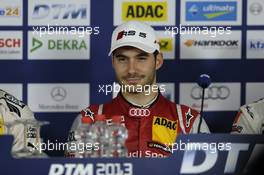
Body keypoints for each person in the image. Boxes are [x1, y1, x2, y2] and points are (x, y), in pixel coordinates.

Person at [66, 21, 210, 157]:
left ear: (158, 61)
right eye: (122, 59)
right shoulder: (88, 120)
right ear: (113, 62)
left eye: (141, 58)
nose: (131, 70)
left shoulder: (189, 121)